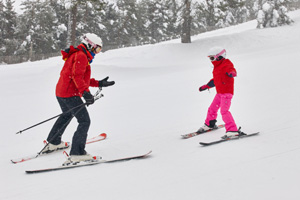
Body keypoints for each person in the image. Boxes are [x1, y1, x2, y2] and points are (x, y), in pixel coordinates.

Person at [42, 33, 115, 165]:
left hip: (61, 92)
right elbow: (77, 77)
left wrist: (98, 83)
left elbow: (80, 78)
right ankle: (77, 153)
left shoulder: (78, 54)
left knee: (66, 115)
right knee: (84, 121)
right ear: (90, 45)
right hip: (70, 94)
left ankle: (53, 142)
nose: (97, 52)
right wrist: (86, 93)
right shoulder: (81, 56)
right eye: (97, 49)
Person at [198, 47, 242, 138]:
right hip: (219, 93)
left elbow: (231, 68)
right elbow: (216, 80)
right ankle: (210, 124)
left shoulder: (226, 63)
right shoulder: (216, 68)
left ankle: (232, 130)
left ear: (219, 57)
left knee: (224, 111)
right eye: (210, 58)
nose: (211, 61)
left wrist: (232, 72)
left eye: (212, 58)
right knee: (212, 109)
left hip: (226, 93)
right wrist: (207, 86)